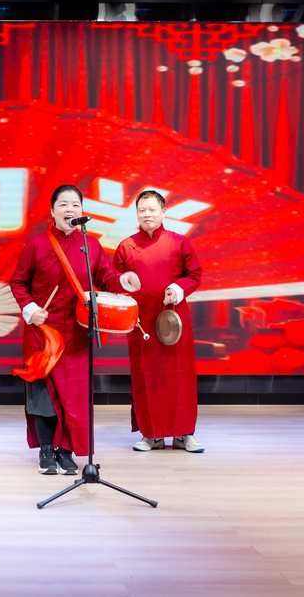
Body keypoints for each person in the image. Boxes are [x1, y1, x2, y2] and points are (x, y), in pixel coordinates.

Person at [9, 185, 134, 475]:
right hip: (44, 332)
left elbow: (106, 276)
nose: (70, 210)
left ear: (82, 211)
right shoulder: (37, 244)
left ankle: (65, 451)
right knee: (43, 395)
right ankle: (46, 449)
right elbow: (18, 283)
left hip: (77, 332)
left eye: (75, 205)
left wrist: (123, 280)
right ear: (52, 211)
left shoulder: (90, 245)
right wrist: (30, 309)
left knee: (74, 396)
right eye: (63, 204)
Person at [114, 189, 204, 453]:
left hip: (173, 320)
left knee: (179, 376)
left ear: (163, 212)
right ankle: (150, 434)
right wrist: (122, 286)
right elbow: (113, 279)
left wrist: (178, 288)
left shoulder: (179, 243)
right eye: (142, 210)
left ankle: (184, 434)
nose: (147, 214)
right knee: (146, 376)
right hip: (141, 322)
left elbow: (194, 275)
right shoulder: (126, 247)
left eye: (152, 209)